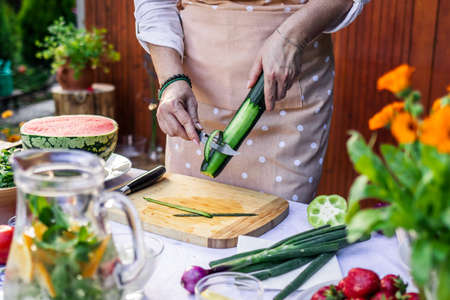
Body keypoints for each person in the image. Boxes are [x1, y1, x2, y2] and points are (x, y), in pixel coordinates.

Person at [134, 0, 370, 203]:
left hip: (288, 90)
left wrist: (291, 37)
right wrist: (171, 80)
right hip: (193, 96)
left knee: (278, 233)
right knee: (189, 218)